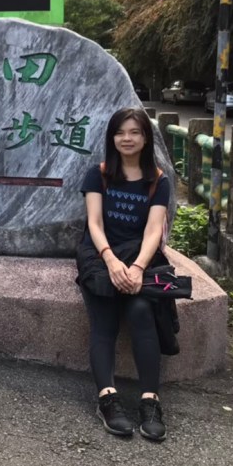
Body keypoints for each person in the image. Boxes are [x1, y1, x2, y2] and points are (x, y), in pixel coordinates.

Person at [76, 107, 171, 441]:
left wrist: (138, 267)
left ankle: (150, 400)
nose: (127, 139)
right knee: (105, 315)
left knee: (142, 310)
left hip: (139, 257)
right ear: (111, 138)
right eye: (120, 132)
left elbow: (153, 231)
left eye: (134, 132)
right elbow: (94, 223)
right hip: (99, 255)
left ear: (146, 137)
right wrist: (111, 261)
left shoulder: (158, 181)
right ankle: (108, 398)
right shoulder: (98, 175)